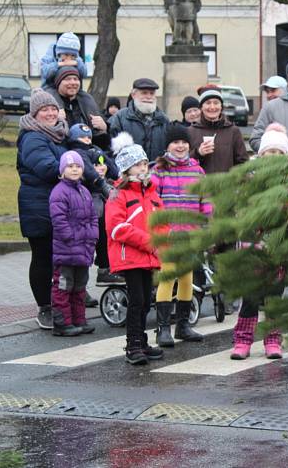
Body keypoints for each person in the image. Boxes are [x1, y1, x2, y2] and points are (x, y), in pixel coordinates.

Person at [231, 123, 288, 360]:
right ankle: (243, 341)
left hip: (277, 248)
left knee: (274, 299)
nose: (273, 157)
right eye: (270, 152)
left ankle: (273, 340)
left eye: (278, 153)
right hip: (251, 247)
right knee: (250, 299)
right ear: (261, 153)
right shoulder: (248, 178)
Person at [106, 138, 164, 365]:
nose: (143, 168)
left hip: (149, 256)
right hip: (129, 256)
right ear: (126, 168)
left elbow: (162, 219)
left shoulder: (151, 192)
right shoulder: (118, 194)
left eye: (144, 164)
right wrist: (149, 242)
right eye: (137, 164)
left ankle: (142, 340)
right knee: (137, 300)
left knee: (146, 301)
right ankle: (133, 345)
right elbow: (117, 228)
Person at [151, 124, 209, 347]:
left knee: (187, 278)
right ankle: (162, 328)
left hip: (191, 234)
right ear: (168, 146)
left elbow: (206, 200)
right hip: (168, 234)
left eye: (184, 142)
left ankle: (183, 325)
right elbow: (153, 203)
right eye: (175, 142)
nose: (180, 146)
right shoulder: (159, 170)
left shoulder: (197, 170)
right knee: (168, 276)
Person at [17, 88, 69, 329]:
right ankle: (44, 307)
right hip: (37, 205)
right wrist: (74, 168)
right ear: (34, 114)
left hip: (57, 204)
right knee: (42, 258)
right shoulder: (32, 137)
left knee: (57, 257)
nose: (50, 113)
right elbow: (48, 168)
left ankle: (60, 303)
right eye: (44, 110)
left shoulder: (58, 135)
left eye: (52, 109)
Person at [49, 151, 98, 337]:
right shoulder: (59, 192)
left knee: (79, 287)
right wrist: (70, 237)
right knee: (63, 286)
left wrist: (93, 235)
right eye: (70, 166)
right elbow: (59, 219)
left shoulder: (84, 191)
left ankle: (79, 319)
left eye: (77, 166)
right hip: (66, 249)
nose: (75, 169)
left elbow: (93, 216)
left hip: (83, 248)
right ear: (62, 171)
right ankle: (62, 323)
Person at [66, 123, 120, 290]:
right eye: (82, 137)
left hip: (102, 199)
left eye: (89, 137)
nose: (87, 140)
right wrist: (99, 178)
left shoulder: (95, 149)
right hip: (89, 200)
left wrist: (105, 165)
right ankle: (82, 284)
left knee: (106, 235)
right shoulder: (76, 153)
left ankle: (105, 267)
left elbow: (113, 168)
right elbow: (87, 170)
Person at [46, 66, 109, 150]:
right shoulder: (49, 103)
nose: (73, 82)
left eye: (76, 79)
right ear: (58, 83)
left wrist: (104, 128)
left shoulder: (87, 101)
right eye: (67, 79)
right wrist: (54, 119)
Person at [108, 78, 170, 162]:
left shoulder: (163, 120)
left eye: (152, 93)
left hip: (156, 173)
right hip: (129, 173)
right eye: (144, 93)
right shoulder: (119, 118)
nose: (148, 97)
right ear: (133, 95)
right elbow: (110, 149)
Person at [188, 89, 249, 174]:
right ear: (201, 108)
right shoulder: (191, 131)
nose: (212, 107)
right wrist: (198, 153)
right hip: (199, 184)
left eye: (216, 103)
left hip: (226, 185)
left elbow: (242, 162)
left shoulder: (233, 131)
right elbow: (183, 161)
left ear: (221, 107)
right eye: (208, 103)